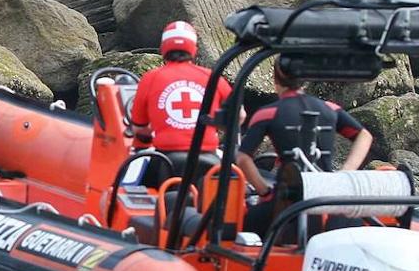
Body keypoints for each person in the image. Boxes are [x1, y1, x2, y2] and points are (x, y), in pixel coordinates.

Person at [236, 58, 374, 236]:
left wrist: (264, 191)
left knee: (243, 223)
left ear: (275, 79)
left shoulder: (267, 113)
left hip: (286, 203)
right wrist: (346, 171)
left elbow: (242, 158)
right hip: (327, 197)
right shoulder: (330, 108)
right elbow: (364, 135)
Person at [129, 21, 237, 184]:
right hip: (209, 159)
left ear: (163, 48)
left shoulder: (151, 78)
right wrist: (216, 125)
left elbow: (139, 128)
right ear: (194, 49)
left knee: (125, 185)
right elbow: (239, 116)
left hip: (165, 160)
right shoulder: (213, 78)